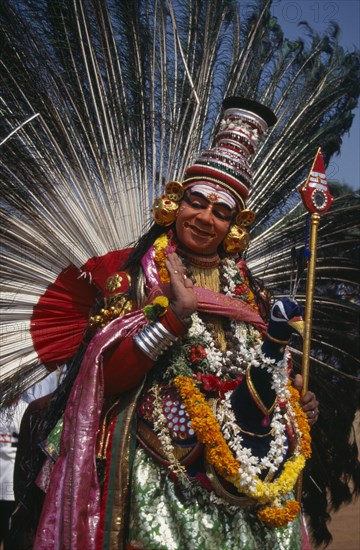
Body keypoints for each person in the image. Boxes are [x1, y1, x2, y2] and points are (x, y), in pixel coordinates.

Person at [20, 97, 318, 550]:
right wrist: (174, 319)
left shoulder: (252, 294)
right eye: (196, 202)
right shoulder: (135, 276)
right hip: (155, 466)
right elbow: (108, 376)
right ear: (174, 202)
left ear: (236, 226)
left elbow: (264, 372)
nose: (204, 217)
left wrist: (294, 397)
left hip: (245, 475)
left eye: (221, 212)